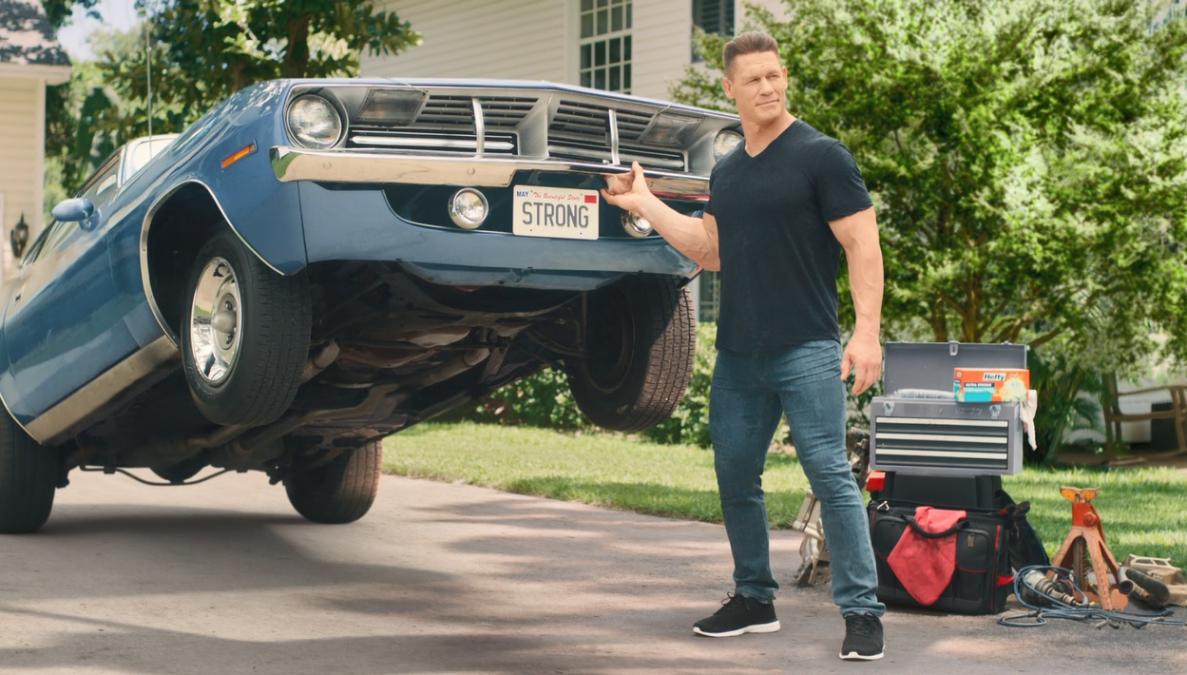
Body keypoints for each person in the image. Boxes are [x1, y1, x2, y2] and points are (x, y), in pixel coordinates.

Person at [601, 31, 887, 662]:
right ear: (730, 88)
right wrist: (644, 199)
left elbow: (863, 246)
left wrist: (865, 334)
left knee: (830, 476)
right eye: (754, 79)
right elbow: (710, 250)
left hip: (807, 346)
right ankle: (754, 598)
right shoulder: (727, 171)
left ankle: (863, 610)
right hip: (738, 354)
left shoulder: (822, 156)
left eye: (776, 75)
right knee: (735, 474)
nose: (769, 87)